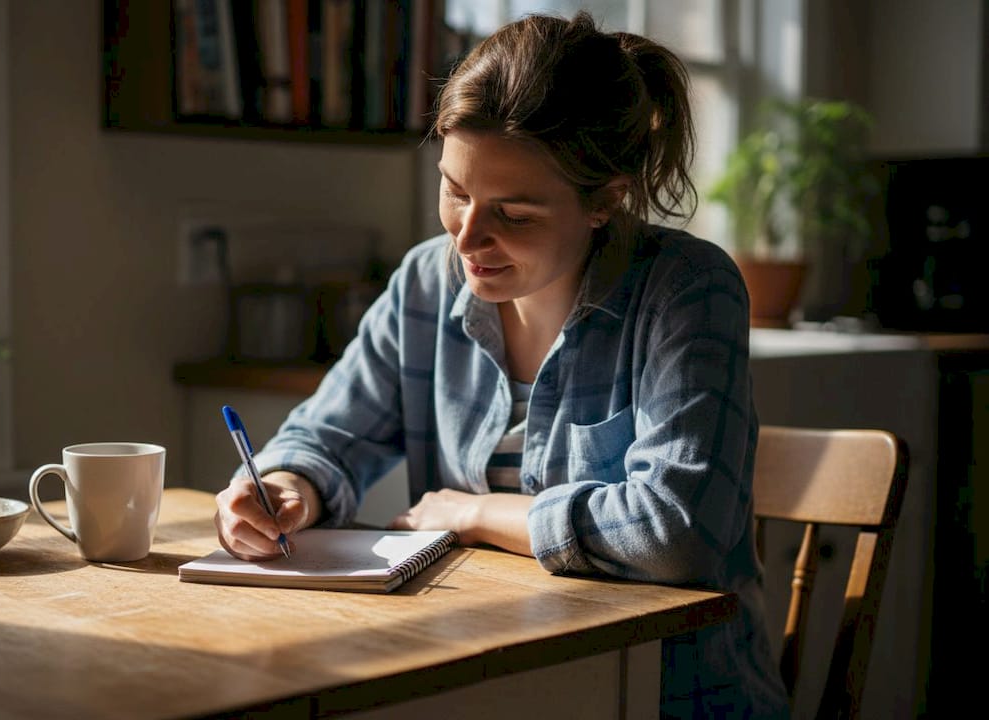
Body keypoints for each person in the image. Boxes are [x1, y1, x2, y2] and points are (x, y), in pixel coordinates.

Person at [213, 11, 789, 718]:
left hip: (662, 693)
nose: (466, 238)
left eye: (513, 215)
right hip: (478, 676)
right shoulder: (426, 283)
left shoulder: (686, 289)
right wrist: (283, 485)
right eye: (455, 192)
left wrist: (476, 513)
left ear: (605, 201)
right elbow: (326, 436)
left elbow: (676, 532)